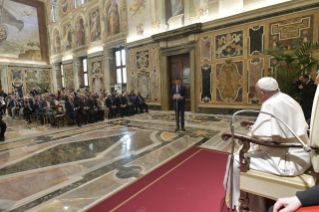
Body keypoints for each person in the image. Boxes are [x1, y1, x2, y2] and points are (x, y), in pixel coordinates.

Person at [224, 77, 310, 211]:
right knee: (246, 152)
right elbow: (282, 129)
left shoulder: (270, 104)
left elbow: (271, 138)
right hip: (302, 156)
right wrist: (258, 128)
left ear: (262, 93)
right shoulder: (286, 98)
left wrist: (254, 132)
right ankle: (256, 201)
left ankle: (238, 202)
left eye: (257, 92)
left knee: (235, 159)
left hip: (287, 161)